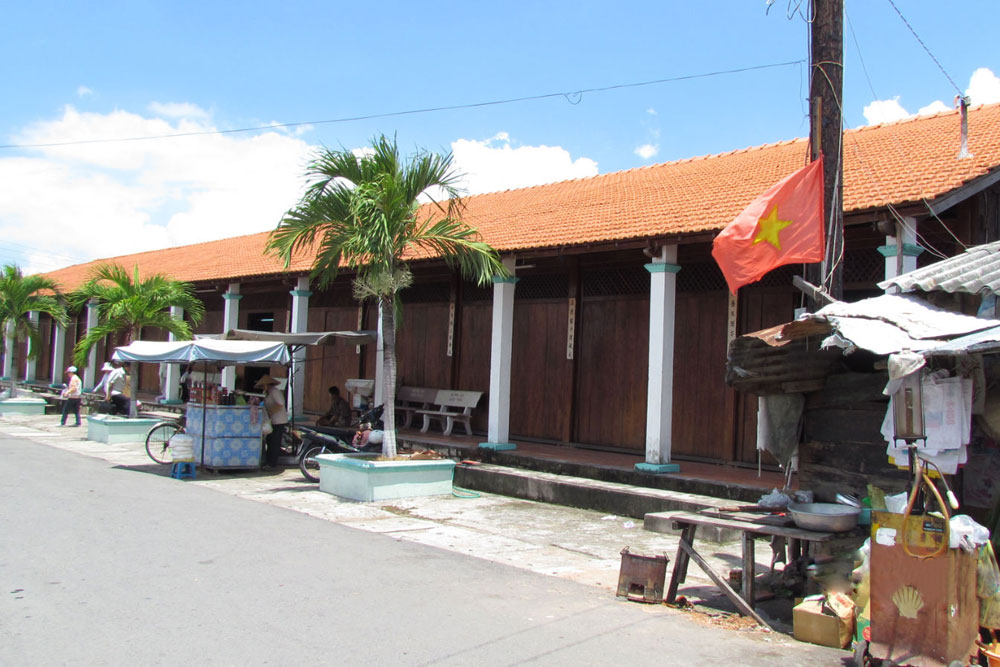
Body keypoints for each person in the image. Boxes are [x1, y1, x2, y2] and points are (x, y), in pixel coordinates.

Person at [255, 375, 287, 468]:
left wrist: (271, 412)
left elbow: (280, 404)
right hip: (272, 420)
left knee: (274, 442)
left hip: (278, 420)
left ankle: (272, 463)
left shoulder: (275, 392)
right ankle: (268, 461)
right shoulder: (267, 393)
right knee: (270, 441)